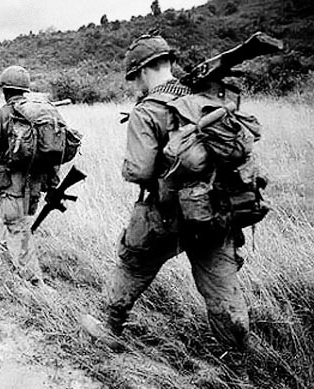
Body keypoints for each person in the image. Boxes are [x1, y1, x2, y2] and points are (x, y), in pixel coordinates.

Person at [83, 35, 252, 350]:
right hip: (214, 211)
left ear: (144, 71)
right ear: (168, 63)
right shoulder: (206, 98)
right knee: (223, 289)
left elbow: (139, 170)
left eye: (134, 77)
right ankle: (237, 361)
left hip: (165, 215)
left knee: (131, 266)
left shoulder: (146, 110)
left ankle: (109, 330)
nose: (135, 84)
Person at [0, 65, 60, 286]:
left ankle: (34, 282)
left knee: (17, 227)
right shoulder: (41, 112)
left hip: (11, 181)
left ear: (4, 90)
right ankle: (9, 259)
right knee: (21, 224)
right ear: (25, 90)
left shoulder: (1, 113)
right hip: (35, 181)